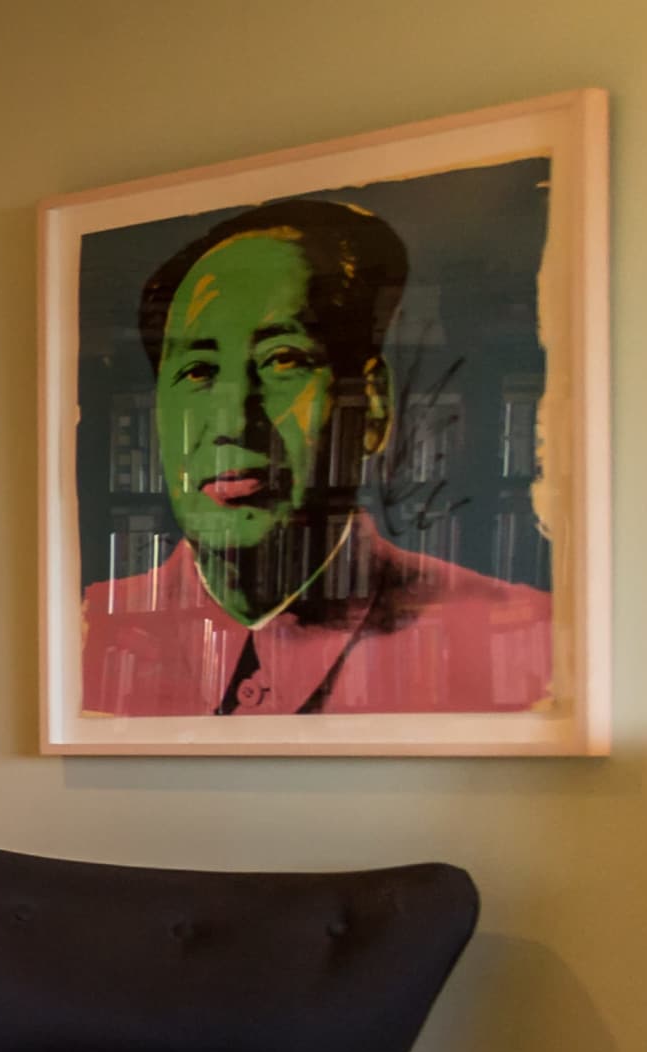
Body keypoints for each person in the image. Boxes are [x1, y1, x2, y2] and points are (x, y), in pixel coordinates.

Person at [80, 196, 551, 717]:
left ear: (372, 405)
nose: (234, 420)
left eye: (283, 361)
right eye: (198, 371)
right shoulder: (82, 628)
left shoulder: (529, 642)